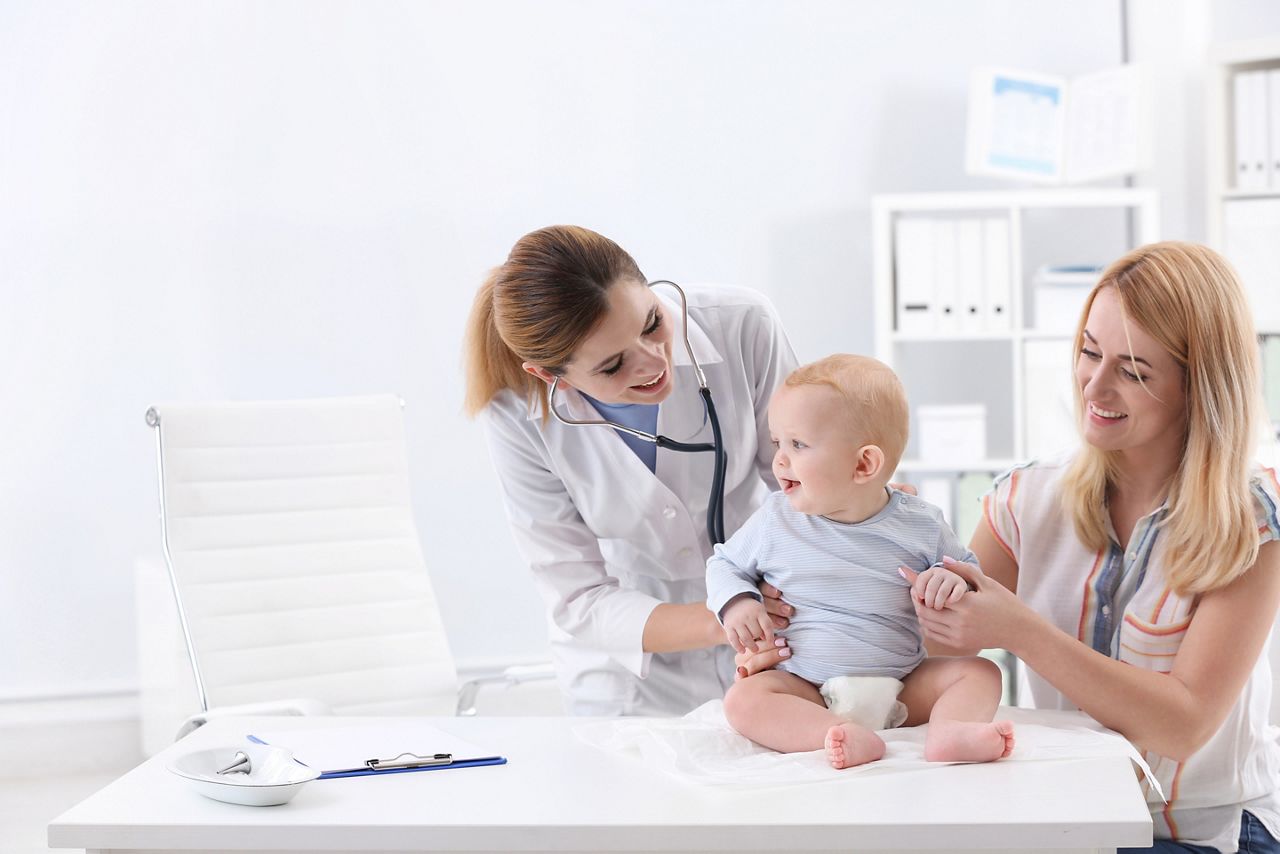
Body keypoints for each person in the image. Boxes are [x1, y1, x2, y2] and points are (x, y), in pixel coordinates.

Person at [889, 242, 1280, 853]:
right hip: (1073, 822)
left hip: (1204, 832)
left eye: (1133, 371)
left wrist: (1021, 631)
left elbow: (1183, 724)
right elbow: (926, 648)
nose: (1094, 386)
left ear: (1196, 387)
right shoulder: (1026, 500)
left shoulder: (1251, 519)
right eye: (1089, 353)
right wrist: (872, 537)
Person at [464, 224, 800, 716]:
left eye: (651, 323)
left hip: (772, 647)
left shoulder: (743, 325)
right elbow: (577, 596)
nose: (653, 362)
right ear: (548, 373)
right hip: (628, 674)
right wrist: (725, 612)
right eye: (613, 365)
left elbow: (803, 485)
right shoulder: (515, 412)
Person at [707, 354, 1015, 768]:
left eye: (797, 444)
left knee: (981, 673)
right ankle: (834, 733)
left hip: (903, 685)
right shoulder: (775, 520)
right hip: (807, 687)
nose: (779, 459)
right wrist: (739, 603)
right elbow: (723, 564)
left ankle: (950, 732)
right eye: (778, 442)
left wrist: (950, 582)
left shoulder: (920, 523)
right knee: (744, 701)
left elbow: (969, 573)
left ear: (864, 464)